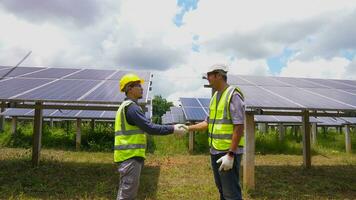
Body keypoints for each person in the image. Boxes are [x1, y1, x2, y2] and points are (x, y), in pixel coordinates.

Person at [114, 73, 187, 200]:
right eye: (138, 86)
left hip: (127, 156)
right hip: (130, 156)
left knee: (126, 191)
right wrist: (173, 128)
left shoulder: (125, 107)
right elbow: (150, 128)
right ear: (129, 89)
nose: (142, 88)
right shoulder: (132, 108)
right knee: (127, 195)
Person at [186, 64, 245, 200]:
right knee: (222, 190)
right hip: (215, 151)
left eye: (209, 75)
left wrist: (230, 155)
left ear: (219, 75)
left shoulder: (233, 95)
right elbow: (207, 122)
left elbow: (239, 126)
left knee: (231, 193)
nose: (207, 79)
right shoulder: (215, 97)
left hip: (228, 152)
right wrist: (187, 128)